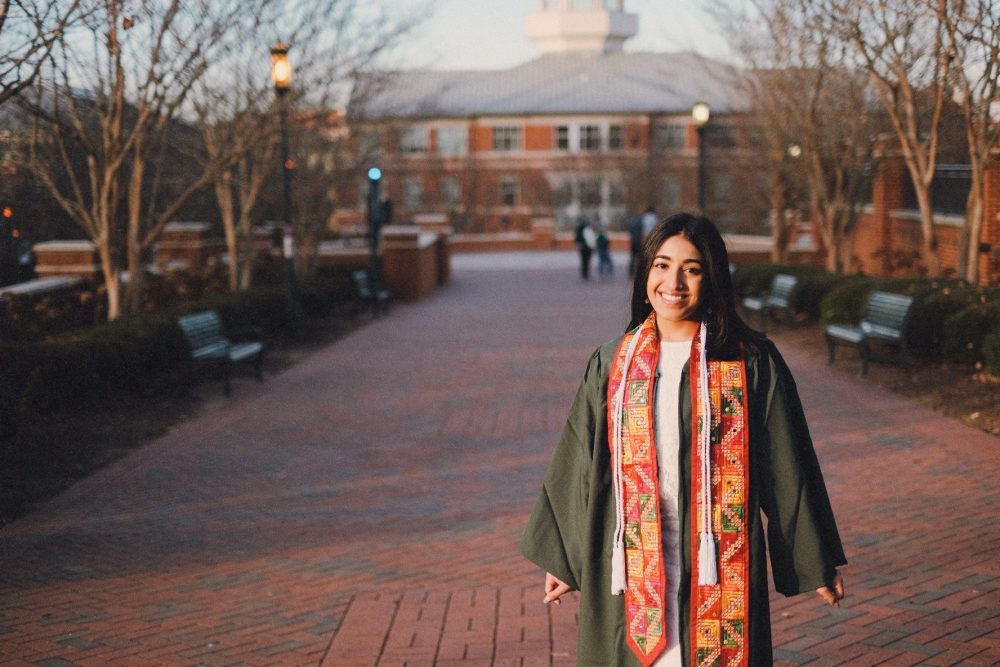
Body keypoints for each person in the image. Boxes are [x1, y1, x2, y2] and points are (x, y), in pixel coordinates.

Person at [521, 213, 846, 666]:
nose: (673, 282)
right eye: (661, 265)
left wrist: (815, 560)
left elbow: (787, 462)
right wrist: (564, 558)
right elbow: (581, 461)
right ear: (646, 273)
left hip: (714, 560)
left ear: (711, 277)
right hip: (632, 563)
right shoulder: (613, 362)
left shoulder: (749, 362)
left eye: (691, 269)